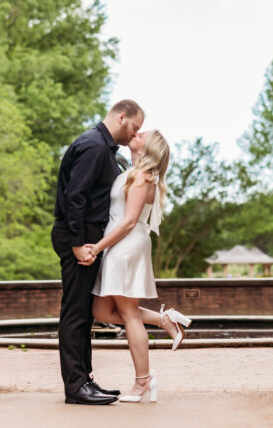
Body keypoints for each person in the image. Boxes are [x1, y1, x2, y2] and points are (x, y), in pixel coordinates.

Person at [84, 129, 193, 403]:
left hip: (126, 246)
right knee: (101, 310)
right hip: (120, 245)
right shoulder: (133, 172)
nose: (137, 132)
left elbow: (129, 221)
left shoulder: (142, 176)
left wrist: (97, 247)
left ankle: (143, 381)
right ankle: (164, 319)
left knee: (129, 313)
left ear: (147, 148)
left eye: (142, 133)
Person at [52, 100, 145, 405]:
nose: (135, 133)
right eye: (134, 126)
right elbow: (74, 197)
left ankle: (85, 380)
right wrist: (79, 244)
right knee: (76, 312)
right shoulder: (93, 147)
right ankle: (76, 387)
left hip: (90, 239)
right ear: (122, 117)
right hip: (80, 238)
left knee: (83, 313)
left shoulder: (107, 151)